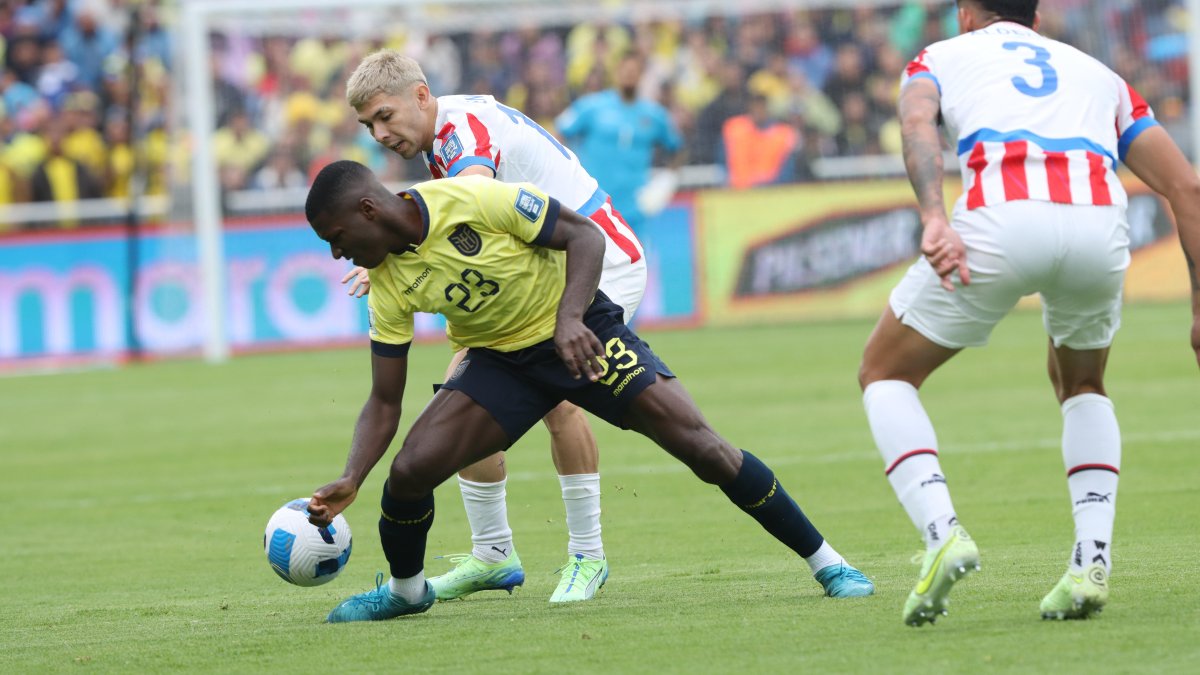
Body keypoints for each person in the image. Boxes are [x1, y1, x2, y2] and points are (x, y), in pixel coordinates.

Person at [303, 161, 875, 623]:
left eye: (336, 238)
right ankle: (406, 593)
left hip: (581, 334)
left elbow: (584, 235)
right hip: (499, 362)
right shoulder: (385, 286)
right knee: (408, 474)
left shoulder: (472, 199)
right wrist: (354, 476)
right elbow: (384, 400)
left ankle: (830, 565)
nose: (337, 254)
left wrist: (570, 318)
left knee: (703, 448)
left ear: (368, 209)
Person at [858, 0, 1200, 628]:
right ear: (1036, 15)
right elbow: (1187, 187)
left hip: (1001, 220)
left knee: (885, 373)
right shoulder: (1102, 74)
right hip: (1099, 228)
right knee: (1084, 384)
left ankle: (942, 535)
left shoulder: (937, 57)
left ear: (966, 12)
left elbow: (916, 126)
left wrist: (935, 216)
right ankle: (1090, 563)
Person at [339, 50, 648, 603]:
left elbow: (474, 200)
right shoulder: (443, 136)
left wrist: (376, 244)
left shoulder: (463, 134)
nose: (380, 133)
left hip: (599, 261)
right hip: (539, 269)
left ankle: (588, 556)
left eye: (385, 116)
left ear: (421, 94)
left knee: (559, 394)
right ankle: (493, 554)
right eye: (368, 125)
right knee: (462, 389)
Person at [554, 52, 684, 238]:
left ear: (641, 75)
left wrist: (667, 182)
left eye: (634, 71)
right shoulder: (592, 106)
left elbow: (678, 149)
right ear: (617, 72)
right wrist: (566, 173)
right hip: (593, 205)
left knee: (636, 263)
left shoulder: (654, 116)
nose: (629, 75)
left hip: (634, 209)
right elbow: (558, 133)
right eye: (625, 70)